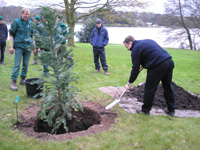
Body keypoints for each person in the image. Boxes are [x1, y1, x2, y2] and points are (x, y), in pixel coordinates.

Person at [123, 35, 175, 116]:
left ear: (130, 43)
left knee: (150, 88)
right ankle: (171, 110)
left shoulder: (135, 50)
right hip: (169, 62)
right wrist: (145, 62)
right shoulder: (147, 41)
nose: (127, 49)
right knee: (168, 86)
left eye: (127, 47)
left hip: (158, 66)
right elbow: (153, 53)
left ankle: (145, 109)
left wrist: (129, 83)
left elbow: (135, 69)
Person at [9, 8, 34, 91]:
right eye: (25, 14)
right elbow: (11, 35)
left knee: (26, 64)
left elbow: (32, 36)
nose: (27, 16)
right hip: (19, 46)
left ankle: (23, 79)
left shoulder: (31, 23)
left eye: (28, 14)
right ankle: (13, 82)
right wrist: (11, 46)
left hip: (28, 47)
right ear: (22, 13)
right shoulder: (16, 22)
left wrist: (34, 46)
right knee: (17, 64)